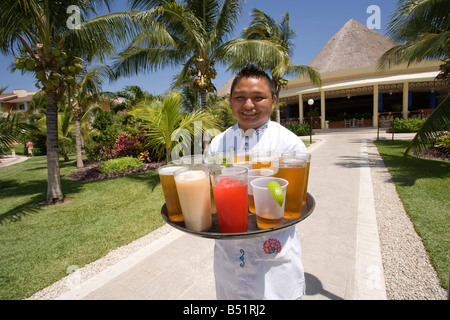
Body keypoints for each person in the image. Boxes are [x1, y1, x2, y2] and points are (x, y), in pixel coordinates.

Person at [207, 64, 307, 299]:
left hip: (273, 256)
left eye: (258, 97)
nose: (248, 105)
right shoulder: (217, 144)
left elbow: (294, 201)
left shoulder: (290, 145)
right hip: (229, 255)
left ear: (273, 100)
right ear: (230, 100)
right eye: (240, 98)